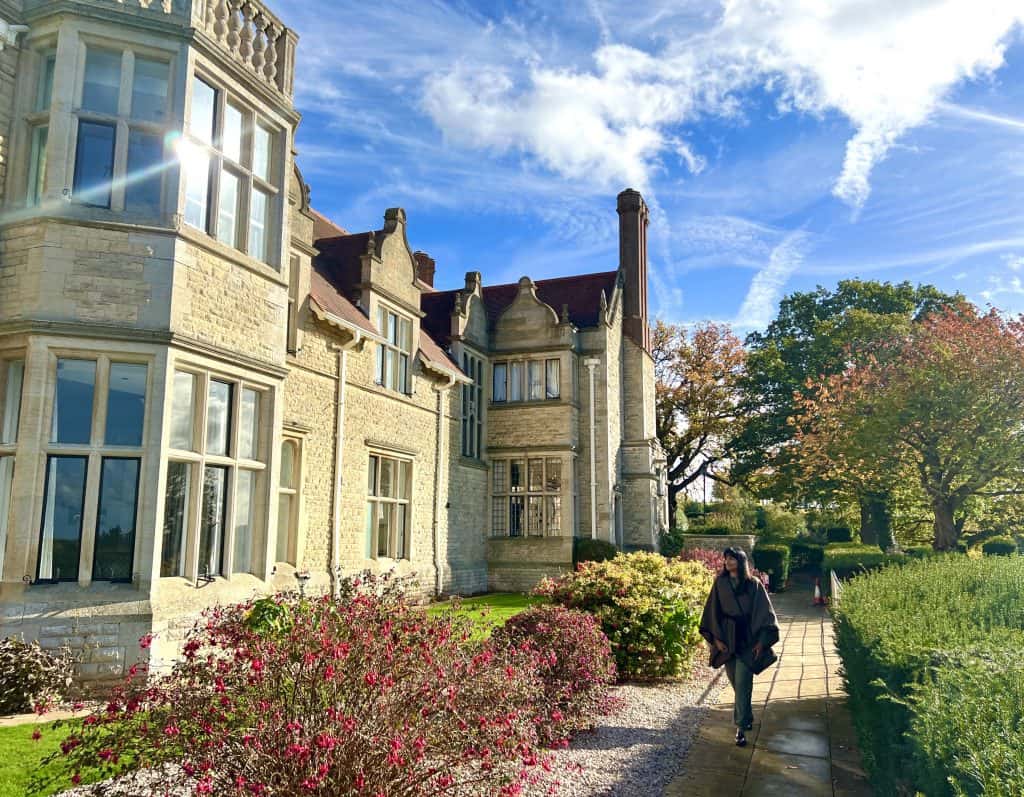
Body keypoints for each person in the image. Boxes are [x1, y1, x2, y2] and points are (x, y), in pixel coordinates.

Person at [699, 547, 780, 747]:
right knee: (736, 682)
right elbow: (712, 610)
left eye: (732, 558)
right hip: (726, 638)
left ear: (741, 561)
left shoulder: (754, 584)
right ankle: (746, 716)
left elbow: (765, 613)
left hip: (748, 638)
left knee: (744, 683)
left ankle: (741, 728)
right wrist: (716, 640)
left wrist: (762, 642)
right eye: (726, 558)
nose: (727, 562)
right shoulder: (720, 583)